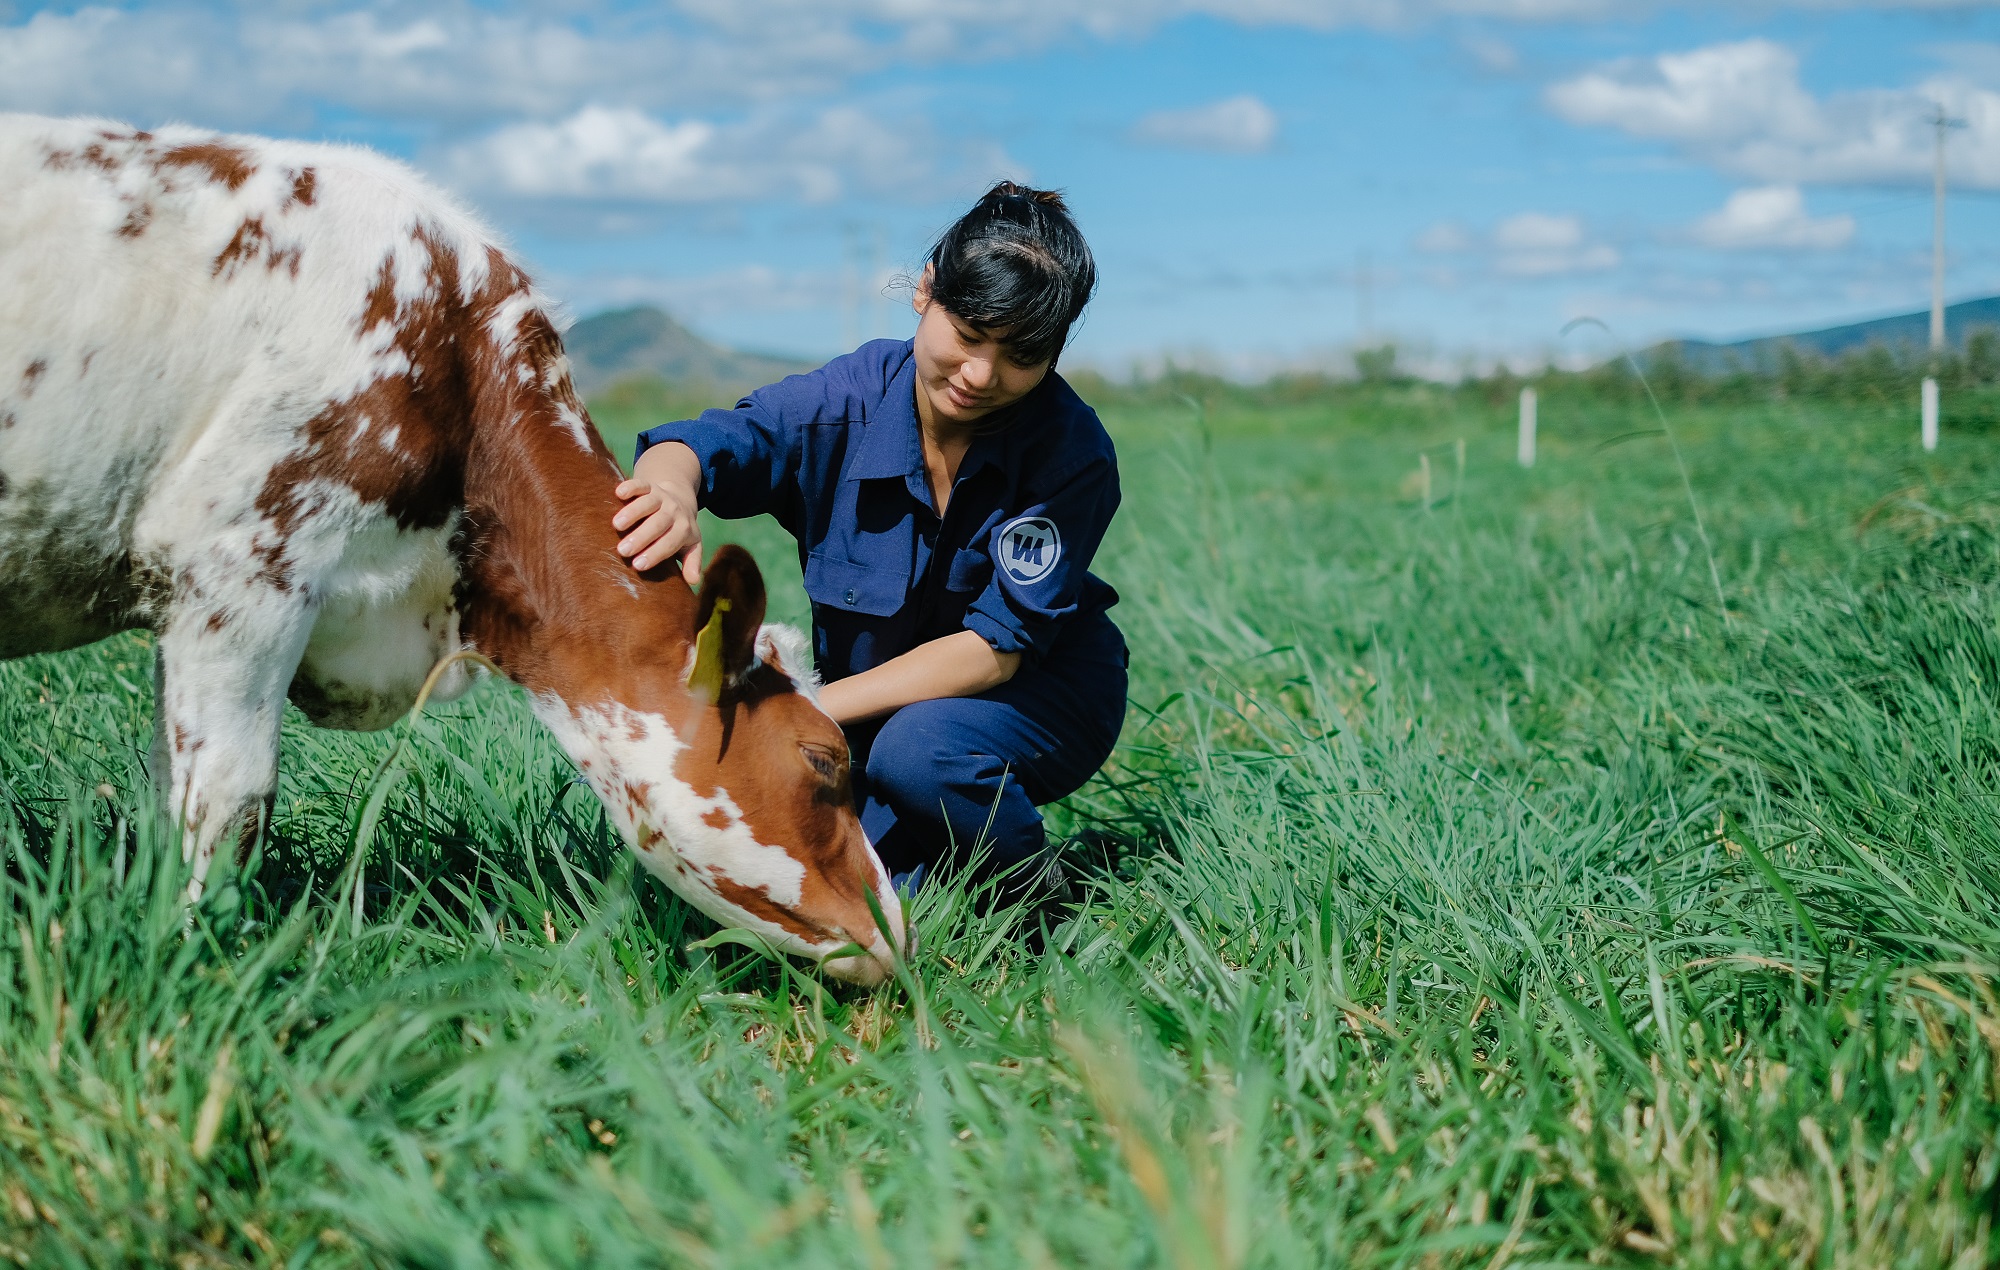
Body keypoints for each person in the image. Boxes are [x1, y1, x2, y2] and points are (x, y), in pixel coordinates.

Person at [609, 182, 1125, 905]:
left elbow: (993, 652)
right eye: (969, 335)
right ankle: (944, 863)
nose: (981, 375)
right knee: (850, 881)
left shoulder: (1071, 454)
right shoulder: (843, 402)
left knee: (923, 757)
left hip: (1040, 695)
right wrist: (669, 487)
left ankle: (1042, 898)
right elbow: (710, 442)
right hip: (872, 713)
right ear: (926, 291)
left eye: (1020, 355)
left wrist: (798, 707)